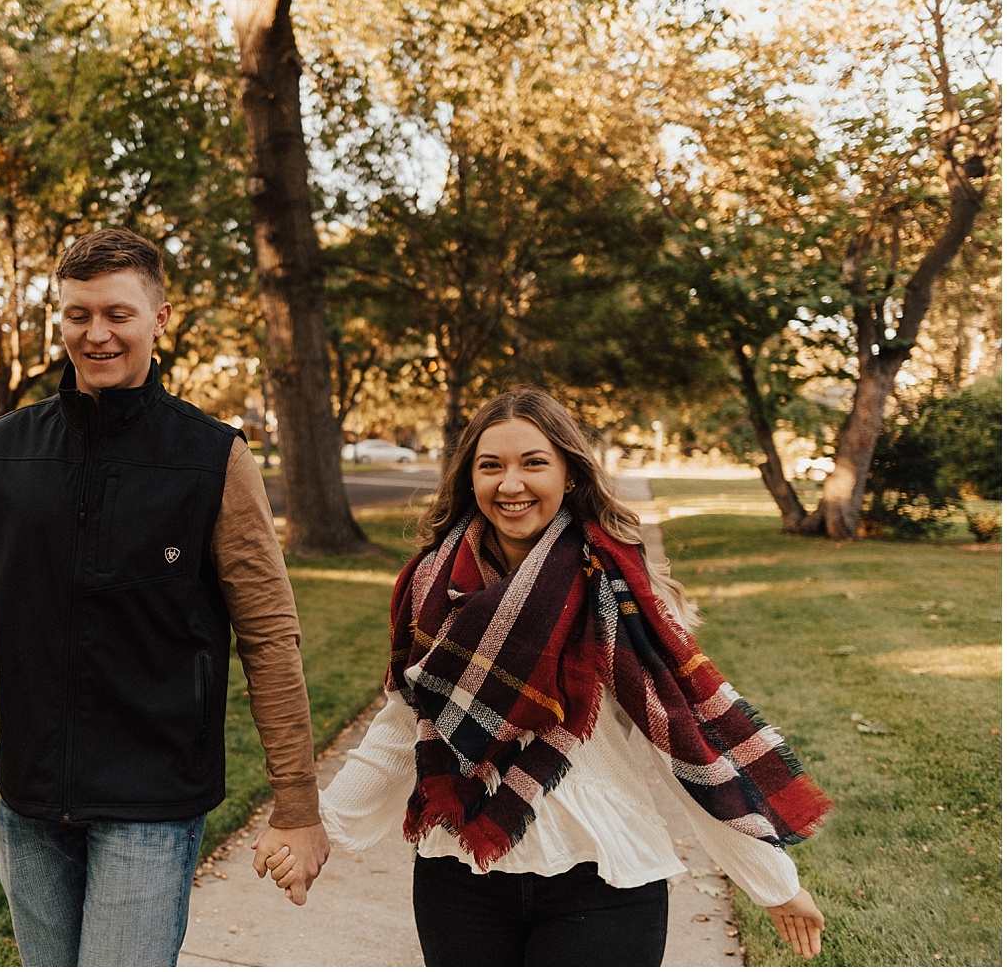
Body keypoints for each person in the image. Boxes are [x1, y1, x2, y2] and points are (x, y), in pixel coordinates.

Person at [268, 387, 831, 966]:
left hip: (603, 878)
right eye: (492, 466)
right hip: (460, 878)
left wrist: (774, 882)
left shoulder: (620, 593)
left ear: (570, 473)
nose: (511, 485)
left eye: (533, 463)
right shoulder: (434, 586)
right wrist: (316, 824)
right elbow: (401, 727)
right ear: (471, 480)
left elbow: (684, 749)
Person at [0, 228, 330, 966]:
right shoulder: (8, 448)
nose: (96, 332)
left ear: (160, 317)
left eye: (118, 312)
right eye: (78, 314)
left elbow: (269, 636)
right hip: (32, 795)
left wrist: (297, 803)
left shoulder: (213, 458)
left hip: (153, 798)